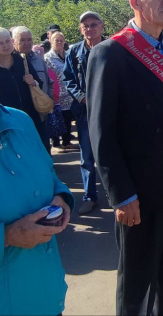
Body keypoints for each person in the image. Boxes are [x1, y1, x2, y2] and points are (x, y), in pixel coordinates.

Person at [87, 0, 163, 315]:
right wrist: (121, 194)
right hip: (139, 193)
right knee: (136, 285)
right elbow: (100, 131)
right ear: (135, 2)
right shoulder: (110, 54)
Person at [0, 48, 74, 315]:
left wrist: (61, 198)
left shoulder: (20, 120)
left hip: (48, 293)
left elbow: (50, 175)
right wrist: (7, 236)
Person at [64, 11, 105, 215]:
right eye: (85, 26)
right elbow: (67, 78)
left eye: (93, 24)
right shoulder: (74, 52)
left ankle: (118, 195)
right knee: (87, 157)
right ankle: (90, 197)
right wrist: (81, 96)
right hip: (85, 112)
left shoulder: (112, 48)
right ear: (81, 30)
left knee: (111, 153)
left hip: (109, 110)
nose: (89, 29)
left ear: (102, 26)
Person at [0, 27, 44, 143]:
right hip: (3, 122)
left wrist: (34, 82)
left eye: (7, 41)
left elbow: (39, 83)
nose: (5, 46)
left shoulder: (22, 61)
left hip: (29, 117)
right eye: (0, 43)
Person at [12, 26, 54, 152]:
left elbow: (48, 82)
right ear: (13, 41)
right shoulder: (10, 61)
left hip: (40, 112)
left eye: (29, 39)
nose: (27, 43)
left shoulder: (39, 60)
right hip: (20, 116)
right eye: (22, 40)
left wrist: (49, 102)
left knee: (43, 146)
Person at [45, 31, 78, 152]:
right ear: (51, 42)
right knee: (58, 118)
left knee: (68, 118)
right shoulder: (47, 58)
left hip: (69, 93)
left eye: (61, 40)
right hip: (57, 93)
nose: (59, 42)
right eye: (56, 40)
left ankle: (66, 142)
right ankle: (57, 143)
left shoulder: (68, 54)